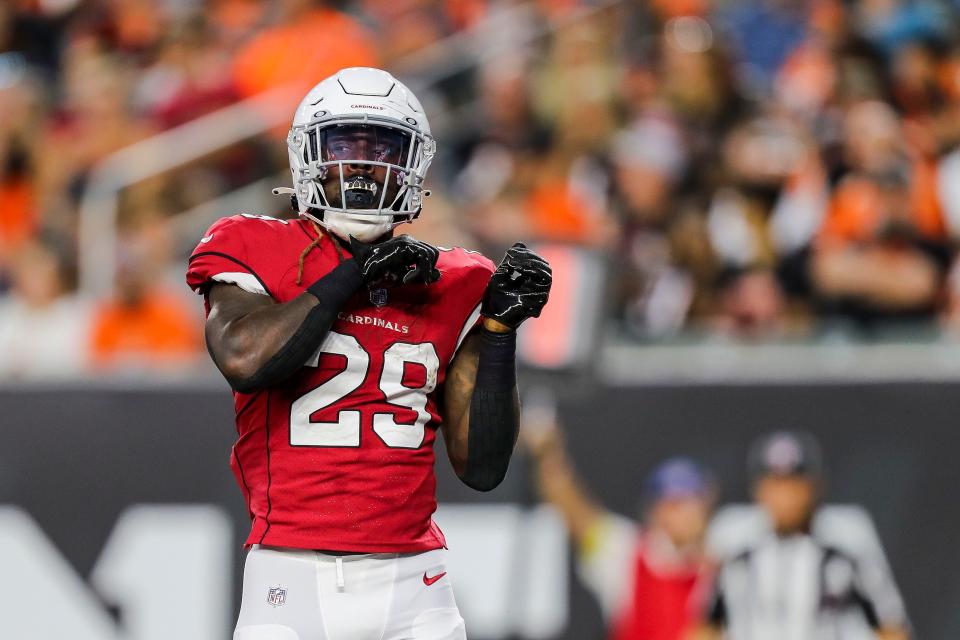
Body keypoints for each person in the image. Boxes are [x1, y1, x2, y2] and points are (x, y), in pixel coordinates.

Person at [184, 67, 552, 640]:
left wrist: (499, 331)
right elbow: (245, 359)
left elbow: (481, 467)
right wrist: (352, 276)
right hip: (291, 572)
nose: (361, 166)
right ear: (308, 156)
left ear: (413, 164)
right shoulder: (255, 244)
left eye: (382, 149)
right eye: (343, 147)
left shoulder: (456, 279)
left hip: (416, 584)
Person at [523, 395, 714, 640]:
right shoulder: (626, 553)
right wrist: (548, 455)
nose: (687, 514)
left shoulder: (723, 567)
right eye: (675, 504)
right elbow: (577, 517)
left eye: (693, 502)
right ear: (656, 512)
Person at [698, 430, 910, 640]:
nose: (785, 498)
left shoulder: (845, 542)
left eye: (794, 486)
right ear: (758, 490)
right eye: (776, 485)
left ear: (815, 488)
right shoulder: (733, 545)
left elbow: (889, 625)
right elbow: (705, 626)